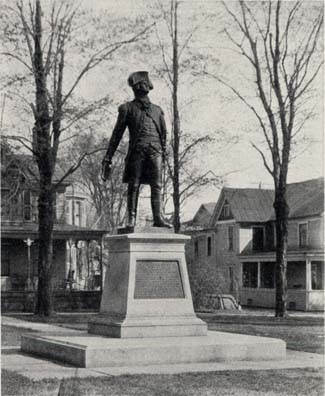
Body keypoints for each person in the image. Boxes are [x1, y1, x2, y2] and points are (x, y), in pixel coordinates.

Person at [101, 71, 171, 229]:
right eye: (140, 84)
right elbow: (116, 135)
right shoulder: (127, 108)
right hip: (137, 150)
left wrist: (163, 152)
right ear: (135, 88)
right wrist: (108, 157)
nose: (143, 86)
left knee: (157, 185)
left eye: (145, 84)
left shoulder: (157, 110)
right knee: (134, 184)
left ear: (149, 87)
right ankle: (130, 219)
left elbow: (164, 133)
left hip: (156, 150)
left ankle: (158, 217)